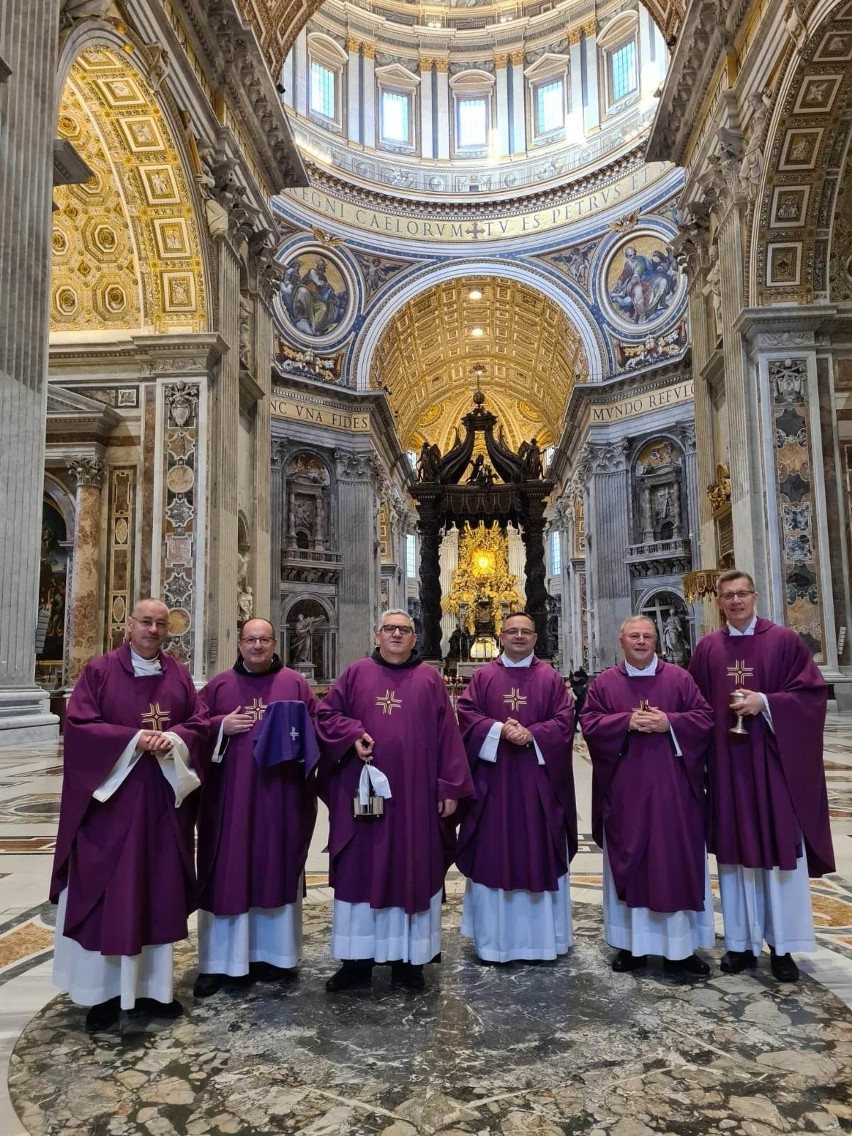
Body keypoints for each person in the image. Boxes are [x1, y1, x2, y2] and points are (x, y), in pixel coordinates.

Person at [50, 599, 209, 1032]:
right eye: (145, 622)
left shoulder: (176, 674)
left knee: (155, 893)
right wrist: (134, 739)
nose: (153, 630)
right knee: (110, 896)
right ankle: (101, 995)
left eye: (160, 624)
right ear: (129, 624)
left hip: (160, 809)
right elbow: (80, 728)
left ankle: (153, 992)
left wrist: (174, 739)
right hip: (112, 810)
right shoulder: (99, 672)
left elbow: (198, 723)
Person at [688, 570, 835, 983]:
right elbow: (695, 707)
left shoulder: (784, 640)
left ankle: (783, 945)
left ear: (755, 597)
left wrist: (765, 702)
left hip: (773, 768)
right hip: (727, 768)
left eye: (742, 594)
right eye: (727, 595)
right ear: (718, 601)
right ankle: (740, 944)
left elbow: (811, 695)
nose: (735, 601)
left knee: (779, 853)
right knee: (734, 857)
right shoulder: (707, 649)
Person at [316, 609, 474, 992]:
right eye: (390, 629)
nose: (397, 635)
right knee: (360, 871)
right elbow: (325, 715)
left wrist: (450, 786)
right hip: (363, 796)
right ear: (377, 635)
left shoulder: (430, 680)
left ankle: (410, 962)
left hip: (415, 799)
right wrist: (352, 733)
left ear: (414, 638)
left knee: (413, 869)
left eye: (404, 630)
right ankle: (356, 964)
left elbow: (448, 736)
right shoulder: (355, 674)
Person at [581, 617, 715, 975]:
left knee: (676, 862)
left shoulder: (679, 678)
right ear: (621, 640)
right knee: (631, 862)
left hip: (674, 793)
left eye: (647, 636)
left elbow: (704, 717)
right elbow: (589, 723)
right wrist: (623, 722)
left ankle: (681, 949)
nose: (641, 641)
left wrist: (670, 723)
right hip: (626, 792)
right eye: (634, 636)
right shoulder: (605, 683)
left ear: (657, 641)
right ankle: (630, 946)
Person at [194, 619, 320, 997]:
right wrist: (220, 725)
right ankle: (219, 963)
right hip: (230, 803)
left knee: (274, 869)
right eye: (251, 639)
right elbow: (192, 729)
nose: (258, 646)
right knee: (226, 873)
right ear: (239, 644)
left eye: (264, 639)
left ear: (275, 642)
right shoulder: (219, 686)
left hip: (279, 801)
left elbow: (317, 729)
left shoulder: (295, 685)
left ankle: (275, 957)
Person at [455, 612, 577, 963]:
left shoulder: (551, 679)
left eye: (526, 631)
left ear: (536, 638)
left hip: (538, 787)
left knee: (538, 850)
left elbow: (565, 720)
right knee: (494, 852)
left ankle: (543, 941)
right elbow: (466, 716)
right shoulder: (483, 678)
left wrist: (532, 734)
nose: (519, 636)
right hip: (494, 787)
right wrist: (498, 730)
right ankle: (493, 942)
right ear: (500, 636)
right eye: (512, 631)